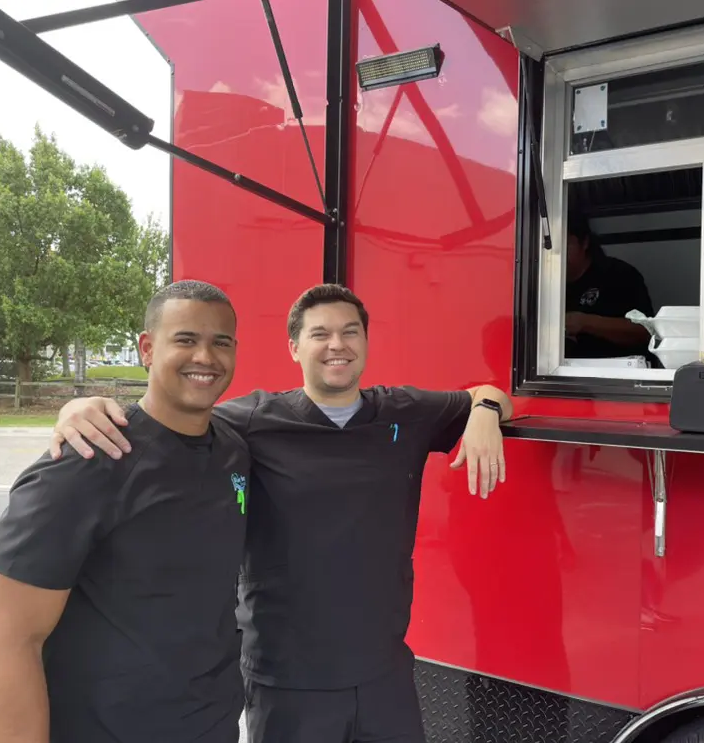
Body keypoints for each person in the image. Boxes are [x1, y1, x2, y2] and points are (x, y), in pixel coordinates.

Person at [48, 283, 513, 743]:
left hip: (384, 674)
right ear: (294, 347)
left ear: (366, 343)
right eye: (319, 334)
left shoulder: (405, 412)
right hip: (287, 679)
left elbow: (489, 394)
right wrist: (79, 406)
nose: (337, 345)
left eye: (350, 332)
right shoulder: (250, 421)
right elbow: (168, 418)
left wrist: (487, 412)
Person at [0, 280, 251, 743]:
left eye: (220, 342)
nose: (205, 357)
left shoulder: (234, 449)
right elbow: (11, 644)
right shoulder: (84, 464)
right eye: (185, 339)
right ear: (147, 348)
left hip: (213, 727)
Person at [564, 212, 655, 360]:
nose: (556, 254)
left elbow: (645, 331)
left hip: (618, 375)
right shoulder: (544, 283)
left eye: (564, 244)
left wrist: (584, 322)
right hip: (560, 375)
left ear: (585, 242)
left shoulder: (618, 274)